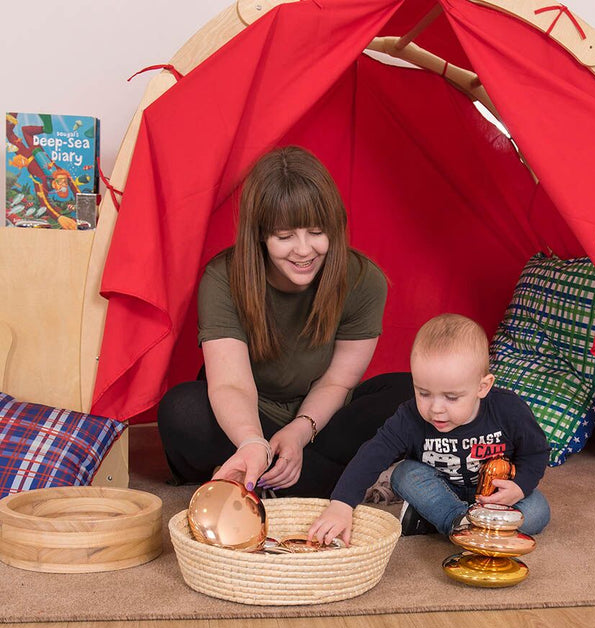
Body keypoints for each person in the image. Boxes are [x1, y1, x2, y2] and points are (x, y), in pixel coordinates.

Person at [157, 145, 413, 497]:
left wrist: (299, 431)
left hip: (320, 419)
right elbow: (230, 385)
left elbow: (337, 383)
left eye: (316, 232)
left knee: (410, 394)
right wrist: (252, 441)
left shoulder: (363, 280)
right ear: (260, 234)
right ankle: (327, 476)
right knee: (181, 410)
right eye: (284, 236)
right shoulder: (222, 277)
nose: (304, 250)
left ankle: (259, 478)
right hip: (245, 413)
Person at [307, 313, 551, 546]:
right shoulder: (410, 416)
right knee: (405, 473)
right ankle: (457, 521)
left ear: (483, 387)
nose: (436, 409)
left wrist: (519, 486)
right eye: (423, 393)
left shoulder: (508, 409)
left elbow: (536, 452)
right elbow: (372, 455)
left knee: (537, 511)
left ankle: (434, 521)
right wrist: (341, 504)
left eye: (451, 397)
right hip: (440, 488)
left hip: (494, 497)